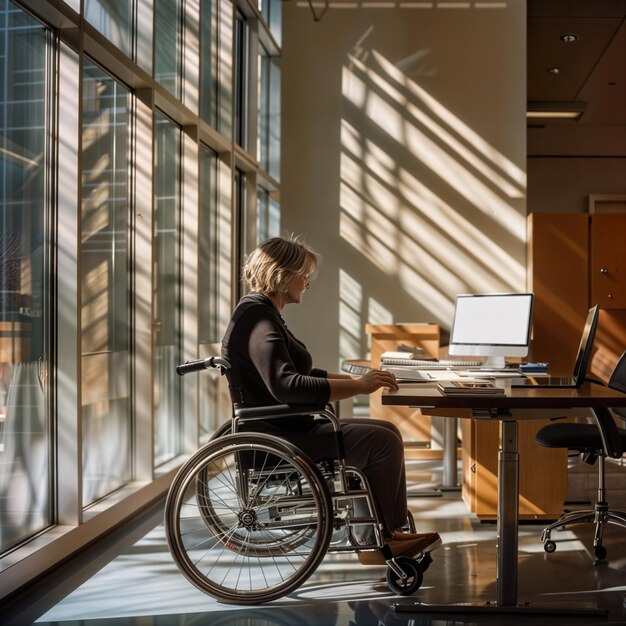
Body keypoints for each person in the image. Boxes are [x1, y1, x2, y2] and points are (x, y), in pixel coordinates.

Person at [220, 235, 441, 564]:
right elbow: (288, 385)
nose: (307, 283)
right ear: (282, 274)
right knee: (381, 441)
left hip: (284, 427)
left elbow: (300, 372)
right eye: (303, 275)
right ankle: (379, 542)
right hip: (282, 436)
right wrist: (360, 387)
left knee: (387, 431)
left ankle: (386, 535)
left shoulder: (259, 313)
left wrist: (360, 380)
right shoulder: (259, 318)